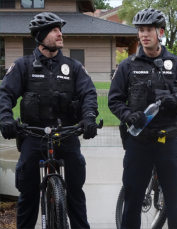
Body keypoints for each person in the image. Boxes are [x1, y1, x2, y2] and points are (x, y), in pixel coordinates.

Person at [0, 12, 99, 228]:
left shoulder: (73, 66)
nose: (60, 33)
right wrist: (5, 118)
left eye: (59, 29)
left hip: (67, 133)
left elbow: (89, 93)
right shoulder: (23, 65)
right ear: (41, 36)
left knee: (75, 191)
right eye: (54, 30)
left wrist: (89, 117)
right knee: (27, 194)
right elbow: (5, 93)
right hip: (33, 134)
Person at [108, 8, 177, 229]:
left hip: (169, 143)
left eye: (149, 30)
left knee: (176, 206)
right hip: (139, 144)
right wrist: (129, 115)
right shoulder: (127, 66)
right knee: (132, 204)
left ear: (161, 32)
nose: (144, 34)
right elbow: (114, 100)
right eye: (140, 30)